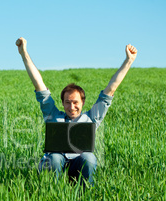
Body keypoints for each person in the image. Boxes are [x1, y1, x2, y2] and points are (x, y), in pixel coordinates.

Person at [16, 37, 137, 186]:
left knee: (89, 157)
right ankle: (52, 193)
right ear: (62, 103)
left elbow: (110, 90)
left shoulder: (91, 118)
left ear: (83, 102)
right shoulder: (53, 116)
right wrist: (24, 54)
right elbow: (39, 85)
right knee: (54, 157)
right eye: (67, 103)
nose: (71, 107)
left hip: (77, 166)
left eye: (75, 103)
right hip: (55, 163)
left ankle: (84, 195)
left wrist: (129, 61)